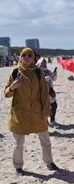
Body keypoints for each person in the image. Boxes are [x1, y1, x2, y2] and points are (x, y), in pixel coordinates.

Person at [4, 48, 59, 176]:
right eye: (24, 55)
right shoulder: (15, 72)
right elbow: (6, 93)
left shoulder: (38, 73)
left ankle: (49, 162)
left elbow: (44, 94)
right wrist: (13, 87)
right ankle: (18, 167)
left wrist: (46, 112)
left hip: (37, 113)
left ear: (34, 58)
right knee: (18, 143)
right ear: (20, 57)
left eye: (30, 55)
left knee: (45, 140)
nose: (27, 57)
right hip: (19, 114)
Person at [36, 57, 58, 126]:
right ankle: (46, 122)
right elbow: (37, 82)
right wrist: (46, 78)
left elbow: (54, 79)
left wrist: (54, 74)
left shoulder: (48, 71)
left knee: (54, 105)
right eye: (43, 62)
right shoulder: (37, 72)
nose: (44, 64)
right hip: (42, 93)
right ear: (39, 63)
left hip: (50, 92)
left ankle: (52, 120)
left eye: (45, 62)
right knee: (44, 108)